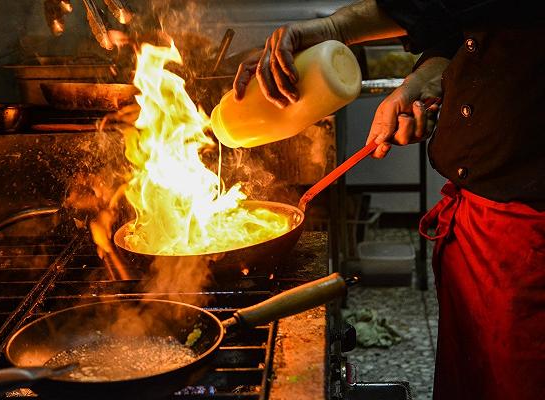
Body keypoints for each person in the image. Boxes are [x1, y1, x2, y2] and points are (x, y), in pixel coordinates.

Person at [233, 0, 545, 399]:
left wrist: (330, 30)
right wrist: (419, 85)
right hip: (474, 223)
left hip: (529, 236)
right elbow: (462, 34)